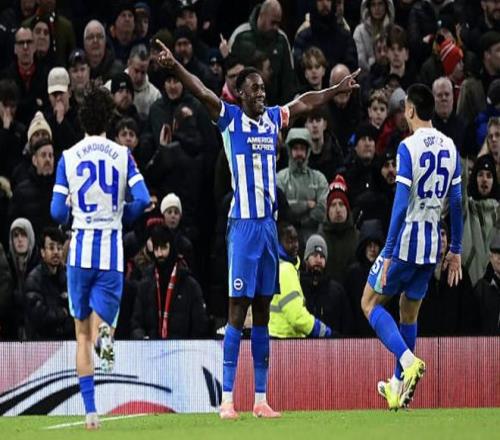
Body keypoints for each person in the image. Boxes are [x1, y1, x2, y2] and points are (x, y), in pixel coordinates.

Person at [154, 38, 360, 419]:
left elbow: (305, 102)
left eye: (263, 88)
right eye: (254, 89)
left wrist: (335, 89)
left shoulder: (272, 119)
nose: (261, 93)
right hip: (244, 227)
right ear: (240, 94)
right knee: (238, 310)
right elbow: (200, 91)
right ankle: (227, 399)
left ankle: (261, 398)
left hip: (268, 228)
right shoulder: (230, 119)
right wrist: (174, 67)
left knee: (263, 311)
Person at [50, 83, 150, 429]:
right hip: (110, 252)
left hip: (79, 252)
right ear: (109, 118)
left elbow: (56, 212)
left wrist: (71, 212)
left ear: (82, 119)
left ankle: (91, 412)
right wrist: (122, 214)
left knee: (80, 335)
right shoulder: (123, 155)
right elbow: (143, 198)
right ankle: (104, 335)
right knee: (100, 326)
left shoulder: (68, 156)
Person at [360, 84, 463, 411]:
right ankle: (398, 388)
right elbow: (457, 202)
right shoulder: (450, 146)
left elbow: (401, 204)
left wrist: (389, 251)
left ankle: (407, 361)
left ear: (411, 110)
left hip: (406, 243)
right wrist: (456, 248)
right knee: (408, 311)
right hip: (432, 246)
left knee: (369, 303)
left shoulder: (407, 147)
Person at [269, 224, 333, 339]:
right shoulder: (285, 270)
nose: (295, 245)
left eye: (296, 240)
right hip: (284, 339)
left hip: (278, 337)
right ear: (278, 243)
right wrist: (321, 329)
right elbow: (297, 317)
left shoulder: (280, 267)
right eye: (289, 241)